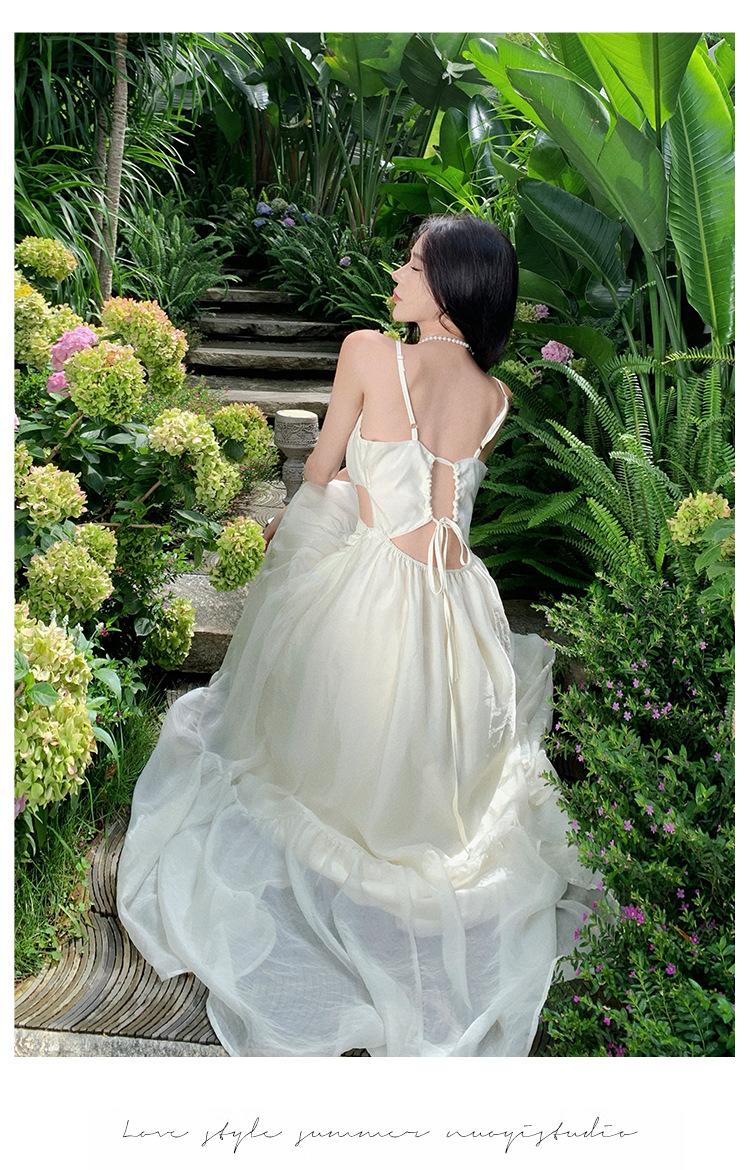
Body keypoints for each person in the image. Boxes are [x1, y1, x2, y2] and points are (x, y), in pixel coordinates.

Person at [116, 211, 601, 1057]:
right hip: (458, 613)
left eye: (412, 264)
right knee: (441, 751)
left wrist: (341, 492)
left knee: (299, 715)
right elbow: (449, 510)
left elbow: (317, 467)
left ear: (450, 288)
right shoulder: (496, 399)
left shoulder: (368, 352)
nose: (396, 275)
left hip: (373, 593)